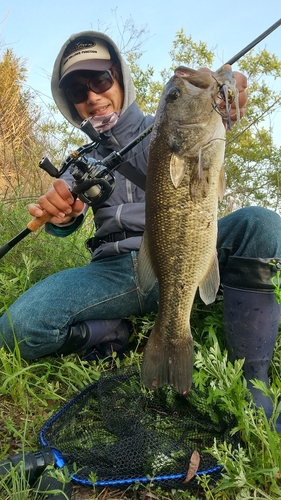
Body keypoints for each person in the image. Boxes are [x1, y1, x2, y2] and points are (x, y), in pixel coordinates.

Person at [0, 31, 280, 430]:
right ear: (70, 103)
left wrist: (226, 95)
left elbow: (221, 106)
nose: (93, 96)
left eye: (101, 80)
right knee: (16, 328)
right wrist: (62, 217)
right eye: (78, 90)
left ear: (121, 78)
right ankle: (115, 329)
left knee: (261, 223)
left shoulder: (166, 128)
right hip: (115, 272)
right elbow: (67, 217)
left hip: (188, 246)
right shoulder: (76, 163)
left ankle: (255, 381)